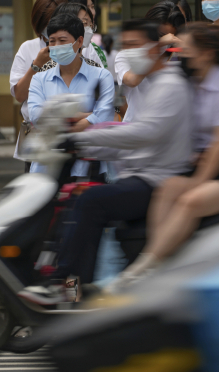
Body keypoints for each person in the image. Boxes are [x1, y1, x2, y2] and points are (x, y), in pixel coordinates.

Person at [19, 19, 193, 304]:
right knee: (75, 200)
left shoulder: (170, 85)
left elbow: (144, 133)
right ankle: (73, 289)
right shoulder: (151, 83)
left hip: (156, 180)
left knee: (91, 201)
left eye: (135, 45)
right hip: (136, 174)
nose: (129, 51)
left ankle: (66, 286)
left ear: (155, 49)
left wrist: (84, 139)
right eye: (126, 45)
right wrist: (87, 139)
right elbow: (124, 131)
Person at [106, 23, 219, 290]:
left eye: (186, 51)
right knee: (167, 188)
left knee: (191, 200)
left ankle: (143, 270)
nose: (181, 55)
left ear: (206, 53)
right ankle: (158, 259)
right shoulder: (193, 84)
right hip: (205, 161)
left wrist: (198, 180)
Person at [27, 14, 114, 176]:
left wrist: (57, 118)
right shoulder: (39, 79)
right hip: (46, 170)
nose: (56, 45)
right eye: (52, 41)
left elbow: (105, 117)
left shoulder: (102, 77)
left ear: (79, 42)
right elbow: (37, 118)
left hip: (89, 169)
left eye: (62, 40)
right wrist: (87, 117)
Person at [10, 0, 67, 172]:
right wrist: (37, 65)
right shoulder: (28, 48)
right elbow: (19, 95)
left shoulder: (78, 48)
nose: (51, 27)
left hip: (69, 132)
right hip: (34, 137)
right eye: (46, 23)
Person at [114, 2, 184, 123]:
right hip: (135, 126)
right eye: (161, 35)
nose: (165, 40)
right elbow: (132, 80)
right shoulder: (126, 54)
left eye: (170, 36)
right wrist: (155, 48)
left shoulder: (175, 54)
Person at [42, 2, 103, 70]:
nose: (89, 29)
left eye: (91, 25)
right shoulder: (46, 70)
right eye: (84, 23)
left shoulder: (94, 67)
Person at [64, 0, 108, 69]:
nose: (93, 12)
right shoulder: (55, 49)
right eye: (87, 7)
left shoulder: (93, 49)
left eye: (92, 7)